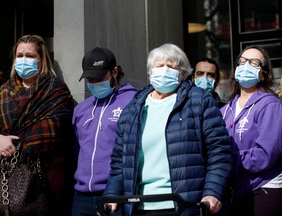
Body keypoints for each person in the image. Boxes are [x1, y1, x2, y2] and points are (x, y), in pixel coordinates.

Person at [101, 43, 233, 216]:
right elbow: (120, 161)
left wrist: (212, 192)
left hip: (183, 205)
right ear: (150, 72)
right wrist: (111, 194)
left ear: (183, 73)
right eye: (159, 66)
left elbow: (219, 152)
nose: (164, 70)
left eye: (170, 66)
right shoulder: (133, 108)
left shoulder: (200, 101)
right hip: (140, 207)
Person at [0, 35, 75, 215]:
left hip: (45, 175)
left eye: (30, 56)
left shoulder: (55, 89)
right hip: (4, 177)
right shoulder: (3, 92)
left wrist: (2, 149)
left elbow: (52, 128)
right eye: (19, 55)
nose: (23, 60)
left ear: (41, 59)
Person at [71, 47, 138, 216]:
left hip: (118, 194)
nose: (94, 83)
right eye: (90, 79)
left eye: (99, 77)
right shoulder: (81, 109)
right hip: (82, 196)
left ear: (115, 71)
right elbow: (76, 149)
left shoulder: (134, 101)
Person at [220, 45, 282, 216]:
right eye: (242, 61)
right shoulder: (225, 110)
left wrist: (228, 161)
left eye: (254, 63)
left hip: (264, 187)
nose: (246, 66)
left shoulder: (270, 105)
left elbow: (266, 154)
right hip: (239, 189)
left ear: (263, 74)